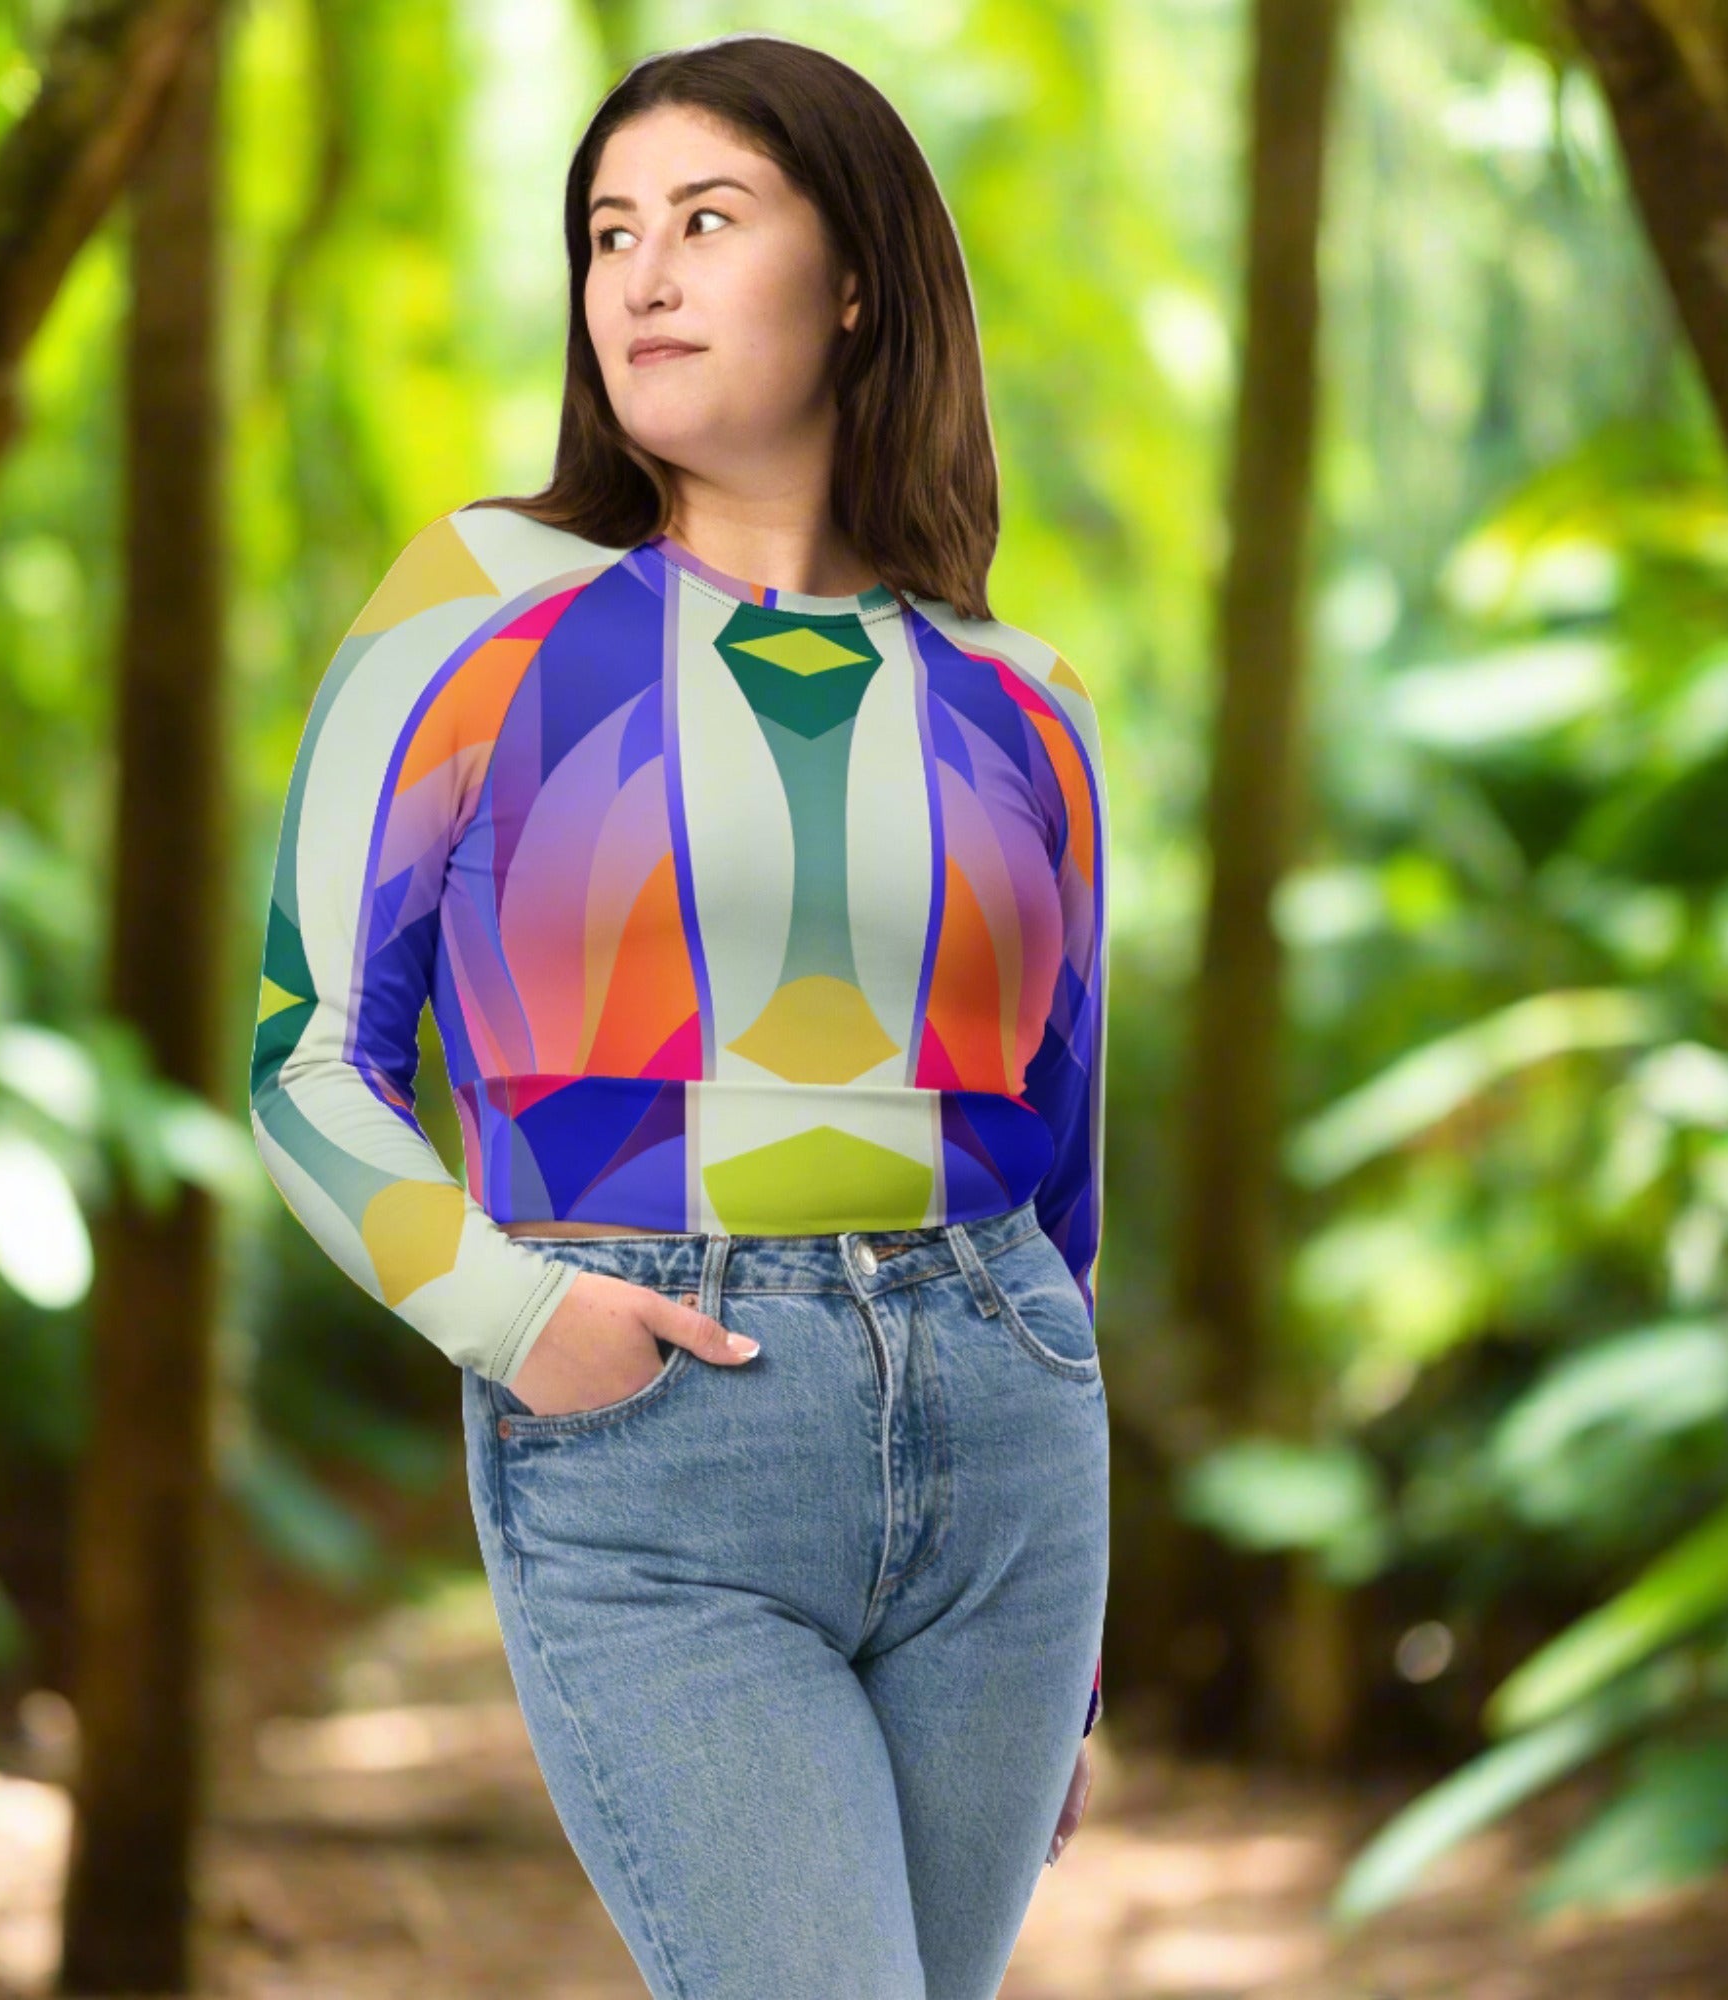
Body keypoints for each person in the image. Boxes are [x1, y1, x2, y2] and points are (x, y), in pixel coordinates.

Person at [250, 31, 1110, 1999]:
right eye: (607, 230)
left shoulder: (1025, 698)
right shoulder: (475, 605)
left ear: (857, 278)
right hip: (659, 1418)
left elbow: (1066, 1176)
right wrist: (511, 1311)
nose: (639, 272)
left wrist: (1082, 1662)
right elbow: (307, 1050)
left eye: (707, 222)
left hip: (1008, 1449)